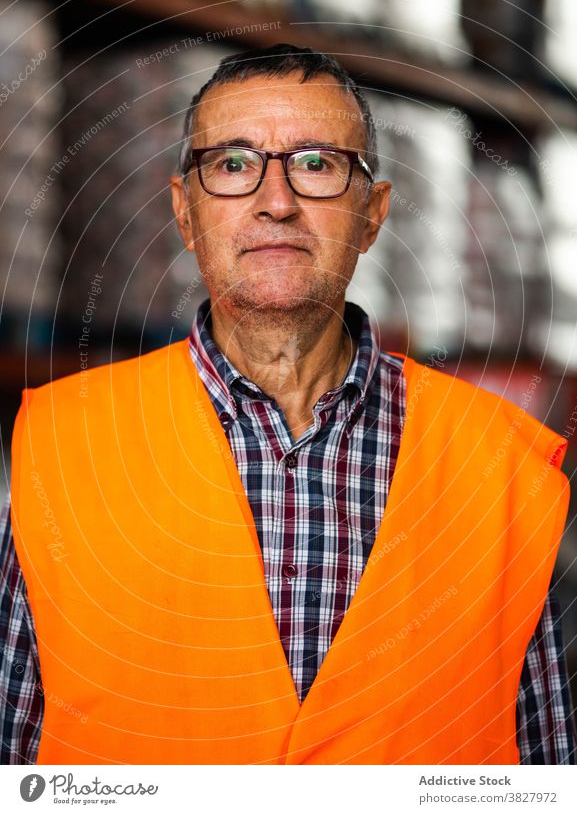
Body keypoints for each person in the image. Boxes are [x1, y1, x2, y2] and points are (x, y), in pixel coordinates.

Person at [1, 43, 575, 765]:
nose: (276, 201)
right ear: (185, 211)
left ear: (372, 214)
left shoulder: (501, 464)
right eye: (234, 164)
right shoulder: (65, 442)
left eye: (316, 164)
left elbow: (540, 766)